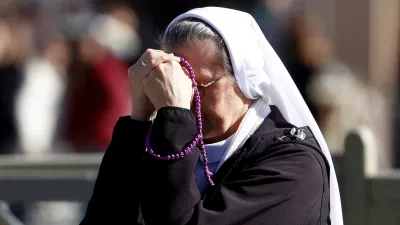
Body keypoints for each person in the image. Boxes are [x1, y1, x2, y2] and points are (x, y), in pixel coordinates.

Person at [80, 7, 343, 225]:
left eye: (199, 84)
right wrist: (138, 119)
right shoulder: (163, 142)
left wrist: (174, 117)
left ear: (243, 81)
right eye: (180, 82)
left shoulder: (294, 165)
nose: (186, 98)